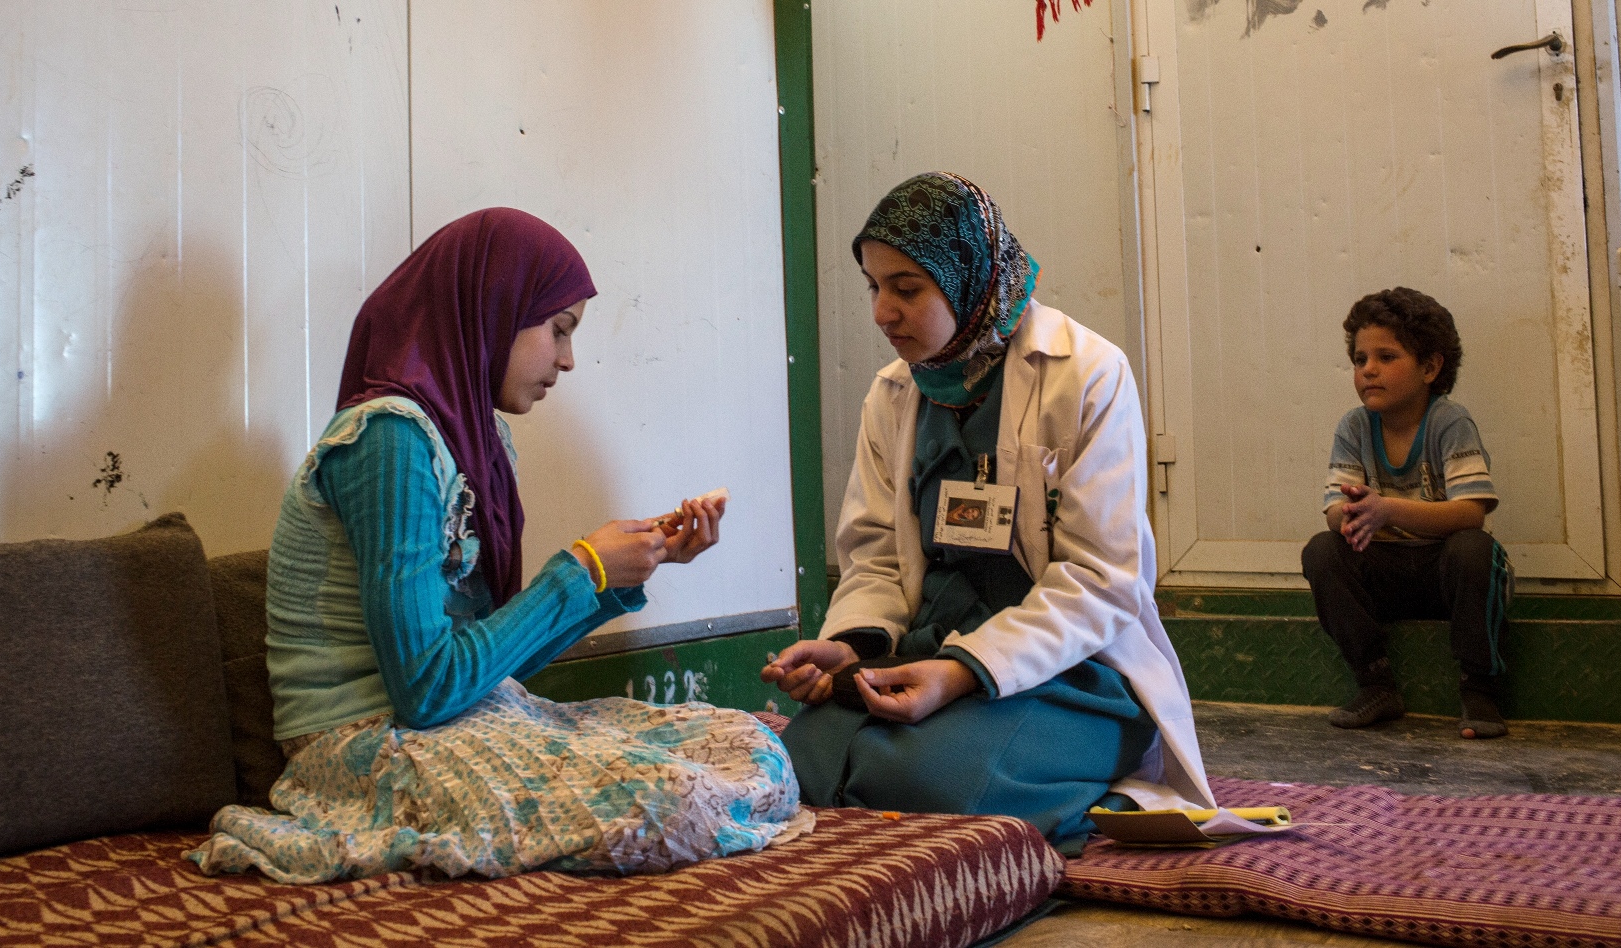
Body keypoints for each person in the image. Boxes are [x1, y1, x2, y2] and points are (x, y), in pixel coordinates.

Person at [187, 208, 809, 884]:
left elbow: (485, 660)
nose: (568, 359)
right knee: (674, 798)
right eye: (558, 330)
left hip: (458, 718)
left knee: (751, 746)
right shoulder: (388, 441)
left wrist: (620, 572)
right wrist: (581, 571)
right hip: (366, 747)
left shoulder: (476, 443)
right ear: (492, 308)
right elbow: (426, 689)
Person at [760, 172, 1214, 851]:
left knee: (939, 790)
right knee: (798, 766)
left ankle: (1100, 771)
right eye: (874, 287)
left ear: (969, 275)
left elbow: (1102, 580)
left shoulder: (1088, 373)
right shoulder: (892, 395)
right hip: (926, 655)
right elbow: (877, 554)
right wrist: (853, 644)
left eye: (906, 288)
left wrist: (964, 672)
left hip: (1069, 666)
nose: (883, 312)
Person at [1301, 287, 1512, 740]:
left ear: (1430, 368)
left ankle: (1481, 688)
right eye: (1360, 360)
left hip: (1444, 574)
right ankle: (1375, 683)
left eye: (1386, 357)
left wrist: (1386, 509)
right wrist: (1350, 516)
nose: (1368, 370)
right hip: (1388, 577)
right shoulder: (1355, 426)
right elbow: (1333, 511)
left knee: (1476, 551)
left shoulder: (1448, 422)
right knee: (1322, 552)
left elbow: (1471, 512)